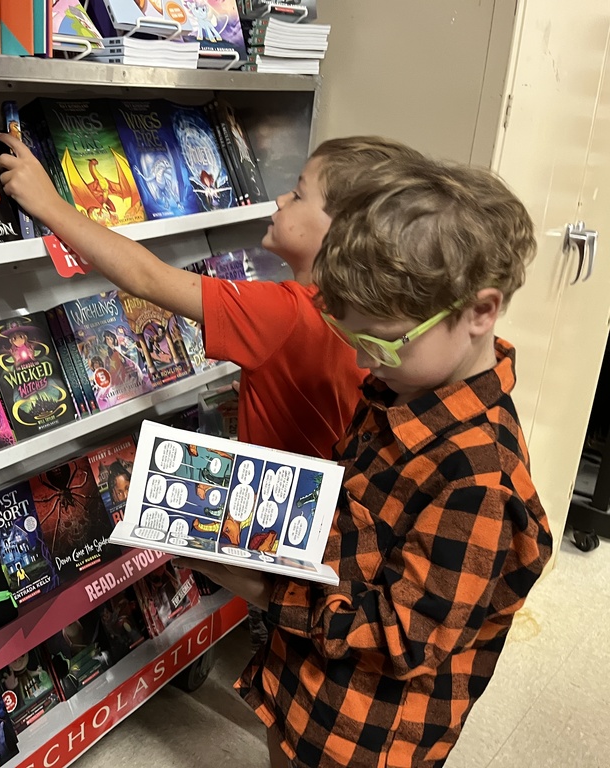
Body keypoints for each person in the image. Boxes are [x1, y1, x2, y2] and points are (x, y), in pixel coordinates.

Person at [179, 158, 554, 767]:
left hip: (366, 735)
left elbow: (406, 636)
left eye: (378, 343)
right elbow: (352, 512)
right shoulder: (401, 389)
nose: (362, 362)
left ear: (480, 311)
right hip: (307, 683)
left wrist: (268, 590)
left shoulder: (479, 482)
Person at [0, 131, 425, 648]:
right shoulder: (371, 319)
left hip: (285, 536)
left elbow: (145, 277)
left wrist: (49, 203)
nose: (280, 200)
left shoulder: (284, 312)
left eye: (298, 193)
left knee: (296, 665)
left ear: (343, 231)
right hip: (336, 532)